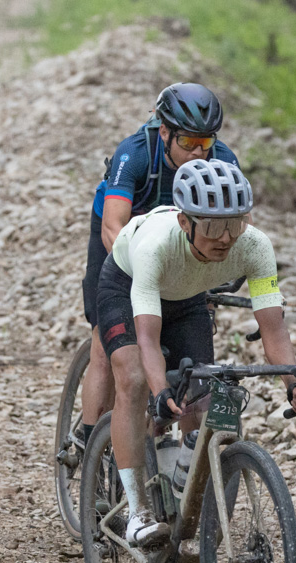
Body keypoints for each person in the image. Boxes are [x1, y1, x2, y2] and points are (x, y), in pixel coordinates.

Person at [97, 159, 296, 547]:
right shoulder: (156, 244)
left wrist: (292, 381)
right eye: (212, 226)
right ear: (185, 222)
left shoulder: (255, 245)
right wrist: (160, 389)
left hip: (187, 297)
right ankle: (137, 512)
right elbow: (147, 338)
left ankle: (181, 488)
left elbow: (272, 326)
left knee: (203, 398)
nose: (226, 237)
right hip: (127, 283)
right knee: (132, 378)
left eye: (235, 223)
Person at [79, 84, 239, 451]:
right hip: (121, 244)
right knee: (105, 346)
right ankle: (90, 451)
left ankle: (187, 466)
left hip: (180, 248)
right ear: (164, 132)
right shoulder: (135, 154)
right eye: (188, 143)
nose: (198, 153)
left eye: (206, 143)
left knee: (192, 355)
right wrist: (143, 282)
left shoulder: (223, 159)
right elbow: (113, 229)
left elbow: (230, 228)